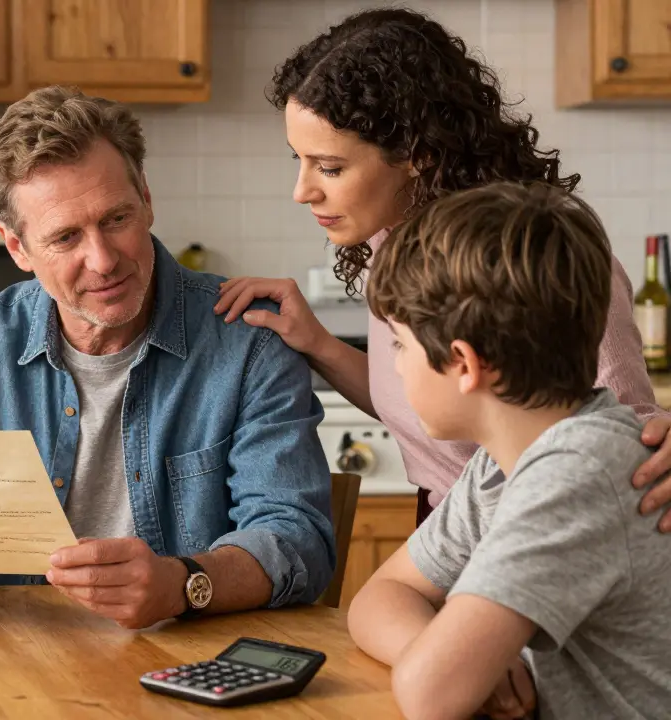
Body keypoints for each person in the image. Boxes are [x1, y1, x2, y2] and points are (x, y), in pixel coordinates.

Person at [0, 86, 336, 630]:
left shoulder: (250, 339)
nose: (103, 259)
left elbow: (297, 541)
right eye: (66, 237)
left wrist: (181, 585)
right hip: (19, 661)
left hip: (192, 658)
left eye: (116, 219)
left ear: (146, 198)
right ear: (17, 247)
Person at [212, 7, 671, 528]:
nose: (302, 191)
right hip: (444, 529)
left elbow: (631, 439)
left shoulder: (534, 256)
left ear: (418, 153)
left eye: (330, 168)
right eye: (299, 159)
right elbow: (429, 401)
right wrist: (317, 342)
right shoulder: (392, 242)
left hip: (537, 532)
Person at [347, 183, 671, 720]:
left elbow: (431, 695)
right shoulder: (497, 468)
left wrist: (442, 664)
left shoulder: (577, 473)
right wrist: (444, 655)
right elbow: (382, 595)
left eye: (401, 344)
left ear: (464, 364)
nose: (397, 365)